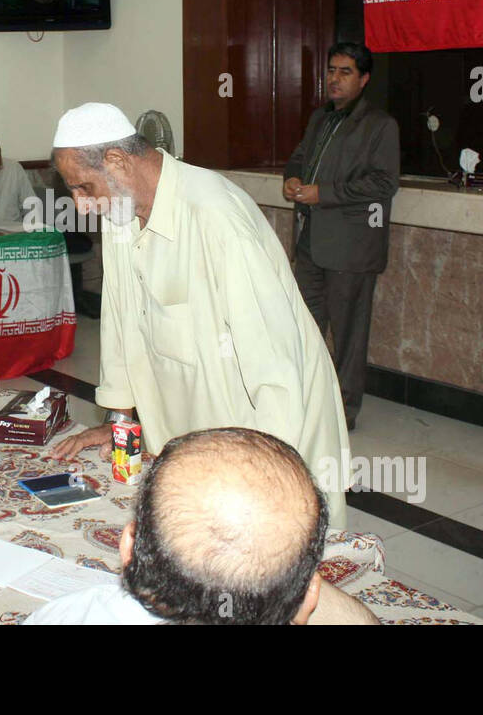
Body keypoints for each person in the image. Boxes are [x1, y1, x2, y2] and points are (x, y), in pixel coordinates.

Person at [50, 102, 351, 528]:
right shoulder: (120, 210)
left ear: (117, 162)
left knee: (272, 563)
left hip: (264, 429)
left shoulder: (215, 215)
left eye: (83, 188)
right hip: (197, 433)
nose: (80, 206)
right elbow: (121, 322)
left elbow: (274, 362)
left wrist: (266, 471)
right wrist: (119, 420)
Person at [28, 428, 377, 624]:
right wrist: (293, 583)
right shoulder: (306, 597)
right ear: (309, 596)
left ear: (128, 548)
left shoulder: (68, 615)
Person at [283, 42, 399, 430]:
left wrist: (324, 194)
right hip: (310, 242)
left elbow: (384, 184)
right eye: (331, 70)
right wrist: (293, 179)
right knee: (304, 327)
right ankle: (308, 400)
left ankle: (344, 411)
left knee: (349, 336)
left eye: (345, 72)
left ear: (363, 79)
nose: (334, 79)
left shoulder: (380, 125)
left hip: (351, 248)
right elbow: (299, 156)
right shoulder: (320, 118)